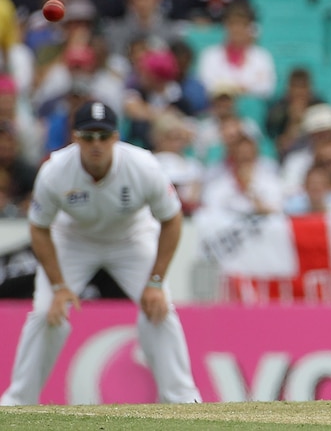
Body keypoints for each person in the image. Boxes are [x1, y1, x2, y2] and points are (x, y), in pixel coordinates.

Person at [0, 101, 201, 405]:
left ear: (116, 137)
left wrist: (156, 282)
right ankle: (17, 403)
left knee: (160, 309)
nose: (97, 145)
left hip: (131, 238)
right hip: (74, 239)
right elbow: (39, 228)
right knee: (46, 313)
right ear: (76, 138)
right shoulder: (55, 171)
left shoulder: (143, 166)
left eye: (103, 137)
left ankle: (184, 401)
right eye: (89, 137)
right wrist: (58, 287)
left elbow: (172, 220)